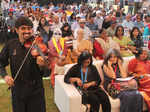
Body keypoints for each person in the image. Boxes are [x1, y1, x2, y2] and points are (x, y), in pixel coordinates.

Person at [0, 16, 49, 112]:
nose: (27, 31)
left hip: (36, 92)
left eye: (29, 28)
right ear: (16, 30)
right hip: (18, 92)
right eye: (23, 28)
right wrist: (5, 76)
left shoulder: (38, 46)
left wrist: (42, 66)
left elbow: (46, 71)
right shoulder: (10, 45)